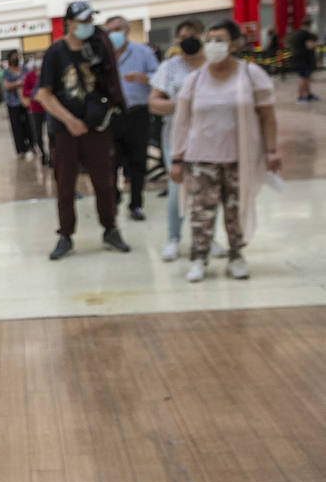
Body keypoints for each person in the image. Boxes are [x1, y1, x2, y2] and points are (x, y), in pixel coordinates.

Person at [168, 19, 283, 282]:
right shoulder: (195, 80)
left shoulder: (251, 75)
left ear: (234, 44)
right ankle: (198, 258)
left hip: (239, 157)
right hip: (201, 158)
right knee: (201, 212)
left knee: (236, 211)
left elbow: (268, 116)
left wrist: (272, 150)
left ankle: (236, 257)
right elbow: (182, 122)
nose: (213, 46)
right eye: (209, 40)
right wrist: (177, 158)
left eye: (219, 40)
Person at [35, 1, 132, 260]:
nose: (87, 26)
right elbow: (43, 95)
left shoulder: (97, 48)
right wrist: (68, 120)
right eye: (82, 21)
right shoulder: (56, 53)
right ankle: (65, 234)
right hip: (65, 131)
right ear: (68, 23)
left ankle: (110, 228)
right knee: (65, 184)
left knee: (105, 182)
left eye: (90, 21)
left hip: (97, 127)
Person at [149, 18, 224, 262]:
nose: (188, 40)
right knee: (176, 188)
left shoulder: (216, 66)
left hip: (211, 136)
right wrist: (180, 105)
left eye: (193, 35)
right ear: (176, 41)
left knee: (208, 189)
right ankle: (173, 238)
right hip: (177, 136)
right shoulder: (170, 67)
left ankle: (208, 237)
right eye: (183, 36)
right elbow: (154, 103)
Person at [104, 15, 160, 221]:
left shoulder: (143, 52)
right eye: (110, 31)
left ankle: (136, 204)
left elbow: (159, 77)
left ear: (127, 30)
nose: (114, 34)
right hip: (112, 116)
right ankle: (115, 196)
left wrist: (144, 78)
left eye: (118, 29)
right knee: (111, 161)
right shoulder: (104, 55)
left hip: (138, 113)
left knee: (138, 162)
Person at [1, 53, 31, 156]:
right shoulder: (6, 72)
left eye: (17, 57)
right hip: (12, 102)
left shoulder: (24, 69)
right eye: (13, 57)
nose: (16, 59)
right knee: (16, 127)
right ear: (9, 59)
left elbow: (30, 81)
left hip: (26, 102)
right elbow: (6, 86)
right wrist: (19, 83)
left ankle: (31, 145)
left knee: (29, 125)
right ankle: (20, 149)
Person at [21, 55, 49, 166]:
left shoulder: (47, 74)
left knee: (51, 133)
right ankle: (43, 153)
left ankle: (53, 155)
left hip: (48, 108)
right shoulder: (29, 76)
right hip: (35, 109)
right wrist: (34, 93)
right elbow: (25, 92)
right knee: (37, 133)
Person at [289, 21, 319, 102]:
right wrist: (316, 44)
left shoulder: (296, 34)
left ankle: (309, 95)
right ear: (309, 26)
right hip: (304, 59)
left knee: (306, 78)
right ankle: (300, 96)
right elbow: (309, 46)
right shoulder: (306, 34)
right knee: (304, 78)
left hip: (296, 58)